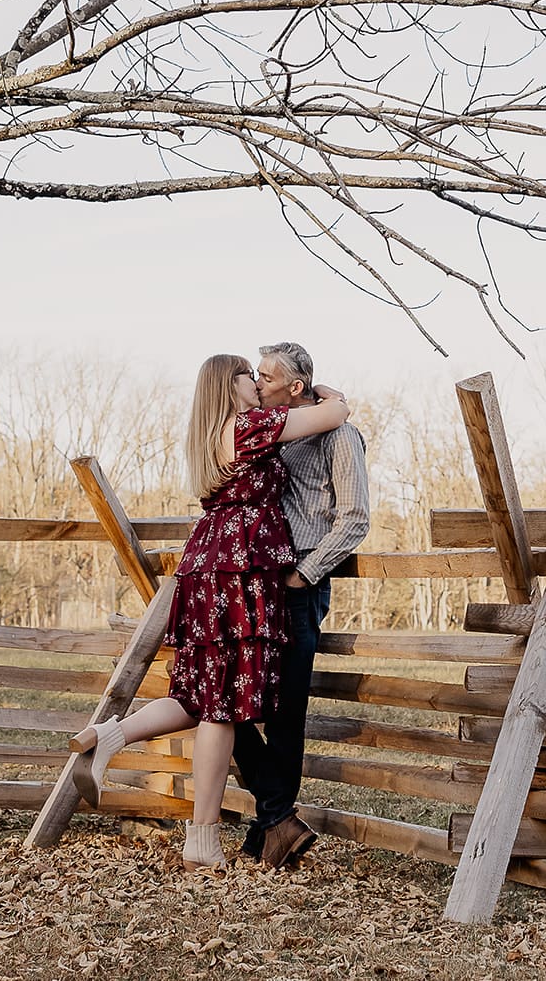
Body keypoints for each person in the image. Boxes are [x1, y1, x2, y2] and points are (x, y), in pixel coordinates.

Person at [68, 353, 349, 871]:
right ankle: (203, 840)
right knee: (222, 706)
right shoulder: (248, 426)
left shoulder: (210, 434)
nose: (258, 385)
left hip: (208, 564)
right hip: (237, 569)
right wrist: (323, 391)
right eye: (250, 376)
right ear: (231, 385)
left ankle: (109, 735)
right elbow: (336, 413)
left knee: (199, 693)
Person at [232, 341, 370, 869]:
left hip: (298, 582)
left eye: (267, 376)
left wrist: (304, 576)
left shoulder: (338, 436)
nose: (258, 382)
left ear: (295, 386)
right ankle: (275, 821)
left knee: (286, 713)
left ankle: (272, 824)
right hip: (257, 577)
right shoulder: (271, 433)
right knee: (231, 699)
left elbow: (355, 518)